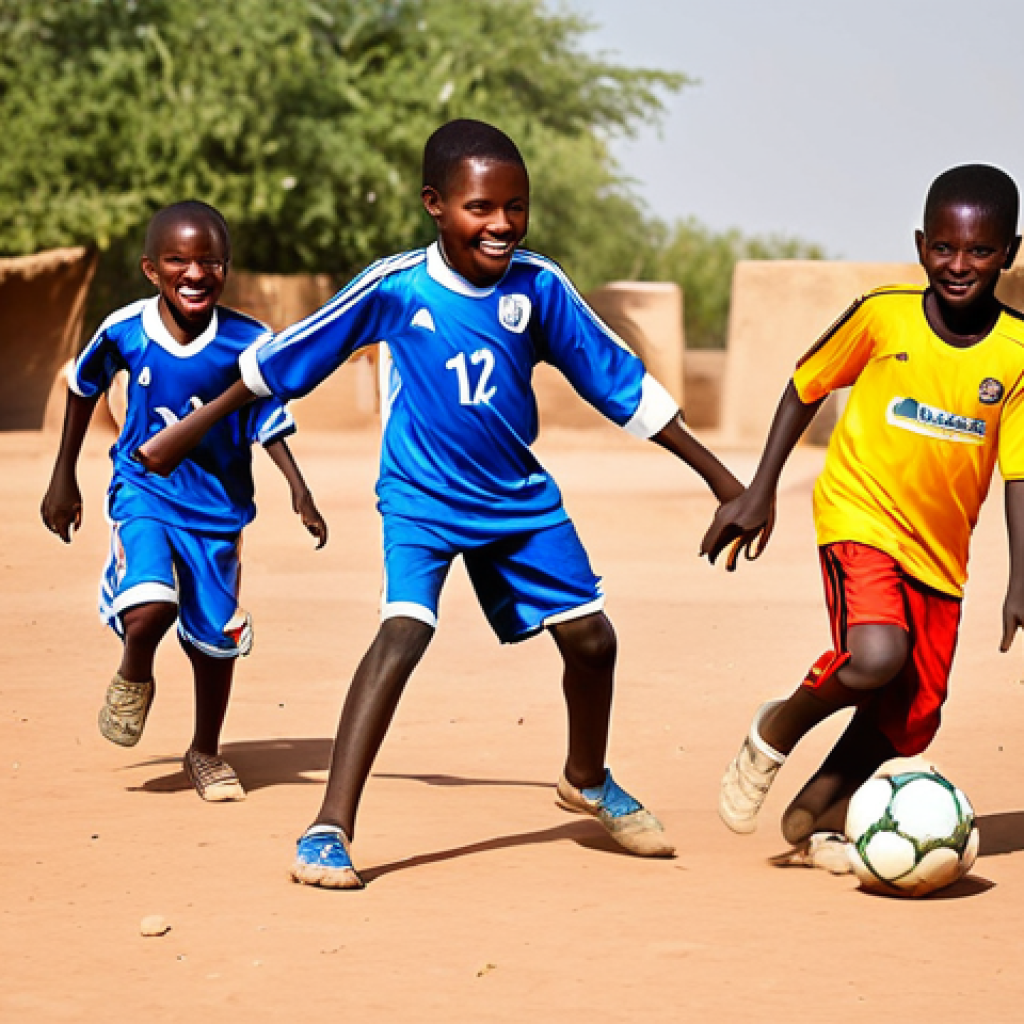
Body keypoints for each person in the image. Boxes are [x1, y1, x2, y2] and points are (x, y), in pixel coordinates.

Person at [138, 119, 744, 888]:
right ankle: (328, 828)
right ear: (435, 204)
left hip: (518, 500)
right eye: (480, 208)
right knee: (403, 634)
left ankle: (586, 778)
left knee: (593, 642)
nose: (500, 225)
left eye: (515, 208)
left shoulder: (540, 287)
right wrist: (187, 431)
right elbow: (279, 365)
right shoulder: (397, 287)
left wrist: (725, 482)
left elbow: (620, 388)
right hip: (422, 496)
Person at [703, 164, 1024, 871]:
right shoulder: (883, 314)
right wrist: (760, 490)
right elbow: (804, 386)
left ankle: (815, 812)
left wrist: (1020, 580)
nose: (959, 265)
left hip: (940, 551)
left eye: (979, 250)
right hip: (859, 511)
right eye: (943, 248)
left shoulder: (1019, 353)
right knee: (877, 656)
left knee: (915, 714)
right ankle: (774, 731)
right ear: (920, 246)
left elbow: (1020, 471)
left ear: (1010, 250)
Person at [41, 200, 328, 802]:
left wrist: (298, 489)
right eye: (178, 260)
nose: (194, 273)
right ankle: (135, 673)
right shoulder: (123, 330)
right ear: (152, 269)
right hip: (144, 489)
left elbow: (266, 417)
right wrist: (62, 475)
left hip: (217, 510)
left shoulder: (250, 341)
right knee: (150, 606)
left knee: (214, 636)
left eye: (209, 261)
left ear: (226, 267)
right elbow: (81, 386)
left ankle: (206, 751)